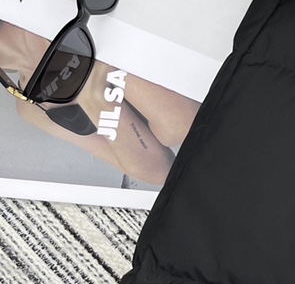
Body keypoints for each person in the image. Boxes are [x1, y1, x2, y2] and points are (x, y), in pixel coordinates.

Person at [0, 19, 200, 186]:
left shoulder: (55, 16)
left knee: (172, 132)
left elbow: (181, 123)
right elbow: (158, 171)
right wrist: (94, 97)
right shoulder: (29, 105)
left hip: (197, 69)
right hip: (202, 129)